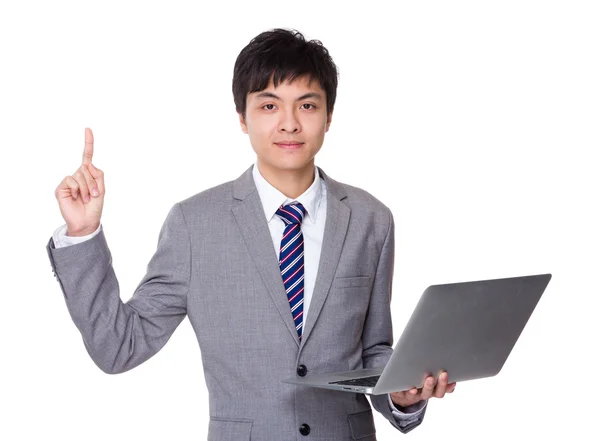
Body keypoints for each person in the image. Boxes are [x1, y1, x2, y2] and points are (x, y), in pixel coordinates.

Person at [46, 28, 456, 441]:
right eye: (269, 105)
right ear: (242, 118)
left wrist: (404, 395)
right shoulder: (194, 224)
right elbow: (120, 346)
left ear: (329, 116)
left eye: (307, 105)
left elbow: (374, 353)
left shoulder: (371, 219)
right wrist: (83, 234)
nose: (290, 124)